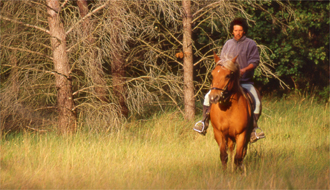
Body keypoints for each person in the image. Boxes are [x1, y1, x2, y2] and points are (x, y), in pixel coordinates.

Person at [193, 17, 265, 143]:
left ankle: (254, 129)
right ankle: (203, 122)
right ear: (232, 31)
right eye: (235, 30)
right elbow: (222, 62)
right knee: (207, 97)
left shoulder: (250, 44)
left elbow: (255, 61)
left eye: (240, 30)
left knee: (257, 102)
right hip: (227, 83)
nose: (237, 32)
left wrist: (244, 70)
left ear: (244, 31)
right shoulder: (228, 44)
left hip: (245, 81)